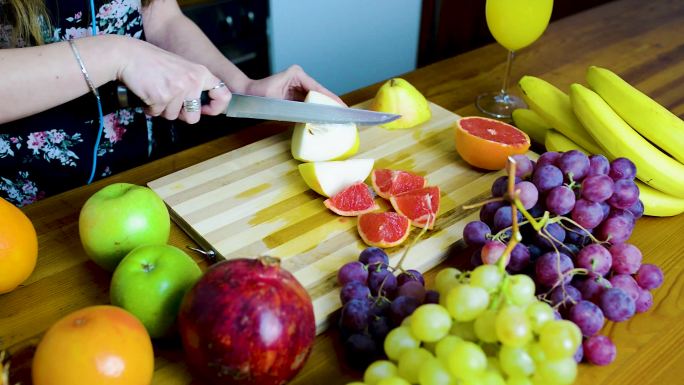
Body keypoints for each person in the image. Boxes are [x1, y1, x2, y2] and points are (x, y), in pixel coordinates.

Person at [0, 0, 341, 207]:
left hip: (141, 177)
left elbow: (159, 14)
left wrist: (240, 86)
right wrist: (116, 53)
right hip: (21, 210)